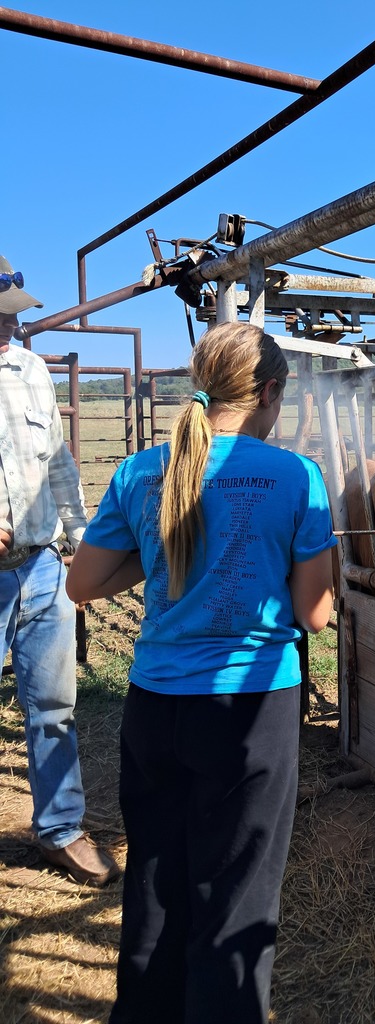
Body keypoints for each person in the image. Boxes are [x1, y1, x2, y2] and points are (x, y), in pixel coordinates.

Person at [66, 320, 336, 1024]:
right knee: (235, 903)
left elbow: (83, 585)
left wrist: (162, 561)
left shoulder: (139, 471)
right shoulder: (296, 477)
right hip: (249, 714)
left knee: (155, 887)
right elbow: (315, 615)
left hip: (154, 707)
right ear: (270, 391)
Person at [0, 253, 120, 888]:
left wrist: (82, 541)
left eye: (13, 321)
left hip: (41, 565)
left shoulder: (30, 371)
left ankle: (60, 829)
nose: (10, 332)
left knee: (53, 704)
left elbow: (58, 462)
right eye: (1, 320)